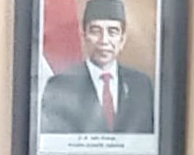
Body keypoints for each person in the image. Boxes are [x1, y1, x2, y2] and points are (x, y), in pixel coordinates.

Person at [37, 0, 157, 136]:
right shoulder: (60, 86)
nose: (104, 40)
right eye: (95, 31)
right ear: (84, 36)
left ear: (122, 39)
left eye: (112, 32)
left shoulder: (141, 85)